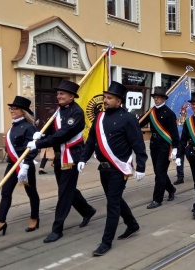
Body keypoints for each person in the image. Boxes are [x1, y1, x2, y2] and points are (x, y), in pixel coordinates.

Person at [78, 82, 147, 256]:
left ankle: (106, 242)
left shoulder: (129, 118)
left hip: (119, 169)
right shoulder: (99, 117)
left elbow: (137, 143)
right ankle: (132, 224)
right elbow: (92, 140)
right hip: (104, 168)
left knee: (112, 204)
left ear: (119, 101)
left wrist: (141, 165)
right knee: (113, 198)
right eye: (105, 97)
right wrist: (83, 158)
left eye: (109, 98)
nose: (105, 101)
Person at [27, 80, 97, 243]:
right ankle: (87, 210)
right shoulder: (57, 112)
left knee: (64, 193)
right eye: (57, 94)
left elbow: (63, 134)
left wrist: (39, 144)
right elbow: (51, 130)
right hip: (60, 156)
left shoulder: (77, 113)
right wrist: (40, 135)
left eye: (62, 94)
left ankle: (57, 229)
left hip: (72, 158)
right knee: (67, 189)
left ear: (71, 96)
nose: (58, 96)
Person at [0, 96, 40, 236]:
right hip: (12, 165)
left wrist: (26, 166)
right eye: (11, 108)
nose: (11, 110)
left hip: (25, 166)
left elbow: (33, 149)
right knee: (6, 193)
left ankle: (34, 218)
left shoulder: (30, 127)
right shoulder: (13, 126)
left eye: (15, 108)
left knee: (31, 192)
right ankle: (0, 222)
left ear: (23, 111)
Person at [140, 86, 178, 209]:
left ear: (163, 99)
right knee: (158, 171)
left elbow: (174, 132)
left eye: (158, 98)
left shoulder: (169, 113)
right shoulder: (151, 112)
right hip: (154, 144)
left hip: (165, 145)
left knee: (160, 173)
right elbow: (140, 123)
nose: (156, 100)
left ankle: (157, 199)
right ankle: (171, 189)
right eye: (155, 98)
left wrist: (176, 148)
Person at [38, 109, 56, 175]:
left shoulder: (46, 121)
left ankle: (41, 168)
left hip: (45, 139)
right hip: (50, 140)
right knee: (56, 153)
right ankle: (55, 165)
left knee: (45, 156)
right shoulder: (52, 121)